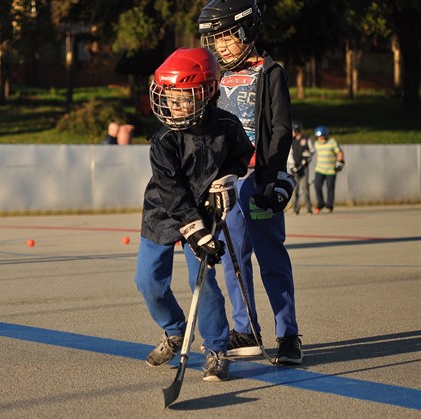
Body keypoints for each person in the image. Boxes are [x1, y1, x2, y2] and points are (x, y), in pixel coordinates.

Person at [135, 47, 253, 382]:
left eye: (182, 97)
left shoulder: (227, 125)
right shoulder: (163, 139)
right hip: (163, 212)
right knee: (147, 281)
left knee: (201, 281)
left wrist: (226, 177)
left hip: (206, 210)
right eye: (169, 96)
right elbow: (171, 192)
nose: (173, 104)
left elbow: (242, 155)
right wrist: (195, 231)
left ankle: (216, 347)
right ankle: (175, 331)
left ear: (208, 92)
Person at [199, 0, 304, 365]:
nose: (221, 47)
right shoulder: (217, 76)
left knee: (271, 257)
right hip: (228, 180)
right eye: (216, 41)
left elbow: (280, 128)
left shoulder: (270, 71)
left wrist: (274, 176)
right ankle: (245, 328)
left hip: (257, 179)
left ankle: (288, 334)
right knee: (233, 258)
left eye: (227, 38)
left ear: (246, 31)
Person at [313, 125, 345, 213]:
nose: (320, 138)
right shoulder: (316, 144)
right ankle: (321, 203)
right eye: (319, 137)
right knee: (317, 186)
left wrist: (340, 161)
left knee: (330, 188)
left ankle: (329, 206)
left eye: (322, 136)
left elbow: (339, 152)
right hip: (319, 169)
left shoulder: (332, 142)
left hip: (331, 170)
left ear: (326, 135)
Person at [288, 121, 314, 215]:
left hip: (304, 167)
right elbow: (289, 154)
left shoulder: (306, 139)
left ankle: (309, 208)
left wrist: (307, 157)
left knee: (305, 188)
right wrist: (293, 166)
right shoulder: (292, 140)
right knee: (295, 189)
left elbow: (312, 150)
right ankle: (296, 209)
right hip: (295, 168)